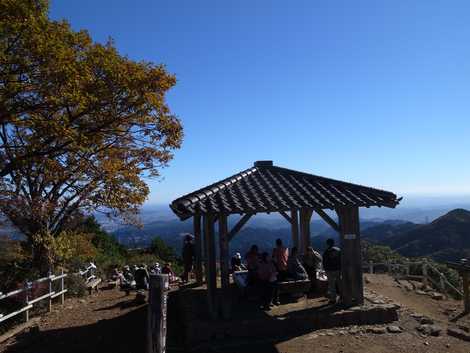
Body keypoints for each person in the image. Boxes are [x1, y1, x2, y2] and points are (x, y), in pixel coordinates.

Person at [323, 238, 341, 304]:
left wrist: (325, 269)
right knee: (339, 283)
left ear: (327, 244)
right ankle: (342, 296)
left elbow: (324, 262)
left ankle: (333, 299)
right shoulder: (339, 250)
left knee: (332, 285)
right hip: (338, 269)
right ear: (334, 243)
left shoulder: (326, 252)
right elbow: (341, 259)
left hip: (329, 270)